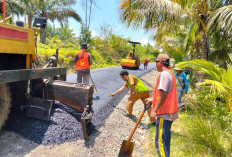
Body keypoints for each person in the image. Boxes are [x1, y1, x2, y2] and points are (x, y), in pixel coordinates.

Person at [145, 54, 178, 157]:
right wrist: (153, 99)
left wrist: (154, 111)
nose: (155, 65)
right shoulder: (170, 73)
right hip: (170, 112)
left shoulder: (164, 74)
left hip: (164, 113)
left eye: (156, 62)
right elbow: (164, 93)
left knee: (160, 142)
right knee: (165, 140)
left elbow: (163, 94)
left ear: (160, 62)